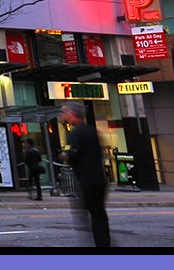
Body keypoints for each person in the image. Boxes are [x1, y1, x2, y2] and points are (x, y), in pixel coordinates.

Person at [62, 105, 109, 248]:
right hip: (99, 177)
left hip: (87, 179)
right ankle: (104, 242)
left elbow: (73, 155)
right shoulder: (92, 130)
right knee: (98, 213)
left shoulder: (76, 133)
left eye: (64, 112)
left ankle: (102, 242)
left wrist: (65, 156)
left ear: (72, 114)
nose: (62, 115)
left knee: (88, 213)